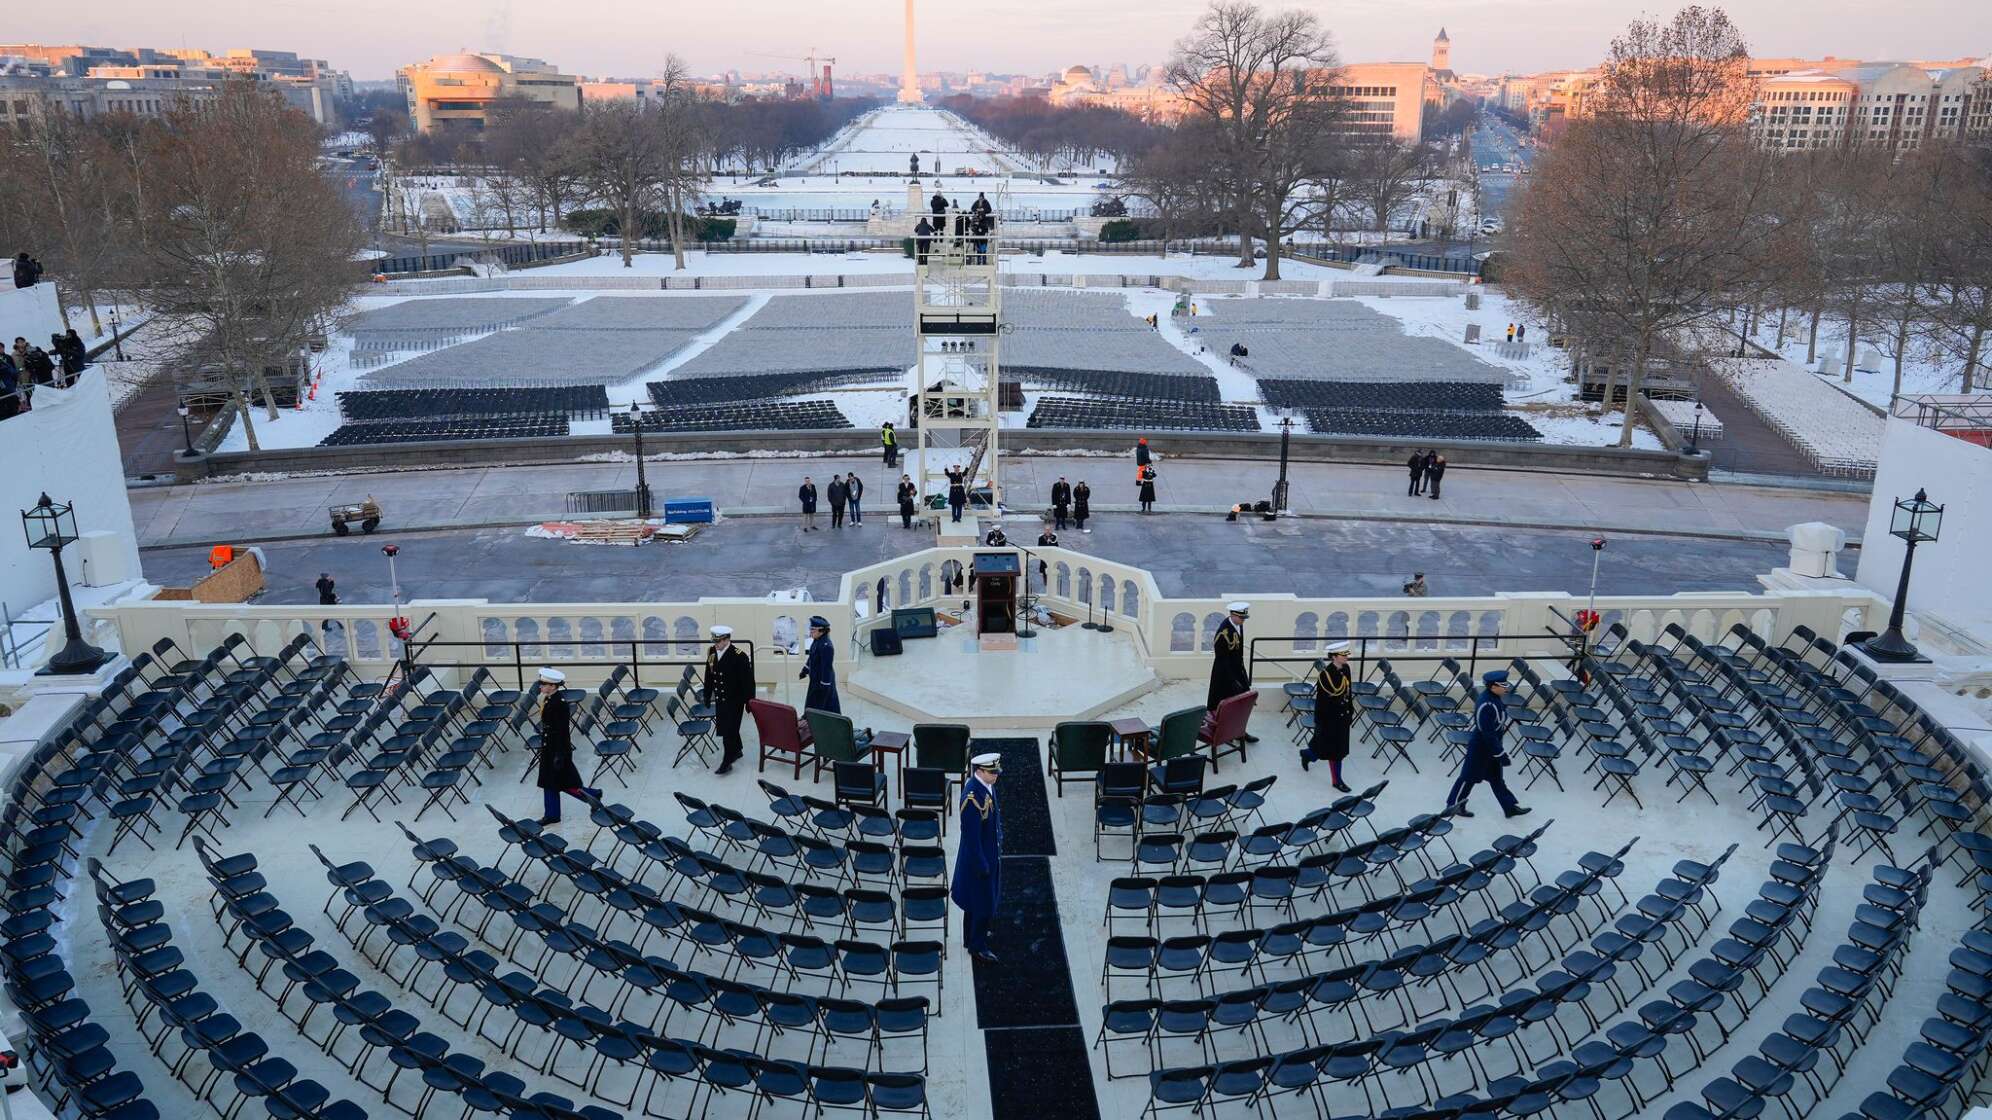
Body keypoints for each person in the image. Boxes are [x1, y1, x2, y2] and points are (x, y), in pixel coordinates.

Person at [1444, 670, 1532, 819]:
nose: (1506, 688)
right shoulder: (1486, 704)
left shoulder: (1495, 698)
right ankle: (1453, 806)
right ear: (1493, 686)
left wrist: (1498, 751)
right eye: (1503, 686)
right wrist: (1500, 754)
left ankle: (1509, 807)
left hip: (1492, 748)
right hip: (1481, 748)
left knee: (1497, 779)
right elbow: (1487, 733)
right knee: (1468, 778)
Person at [951, 752, 1005, 962]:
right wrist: (982, 864)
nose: (996, 776)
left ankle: (970, 936)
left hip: (989, 852)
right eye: (992, 772)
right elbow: (971, 837)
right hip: (980, 860)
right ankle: (977, 945)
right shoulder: (973, 798)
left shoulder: (986, 787)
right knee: (983, 904)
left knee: (975, 902)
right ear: (980, 771)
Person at [534, 668, 602, 825]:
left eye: (543, 684)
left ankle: (593, 796)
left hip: (557, 749)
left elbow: (561, 731)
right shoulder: (549, 699)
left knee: (565, 783)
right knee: (550, 783)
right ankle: (552, 814)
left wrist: (559, 754)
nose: (541, 686)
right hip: (549, 747)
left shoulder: (559, 704)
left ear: (552, 686)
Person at [1297, 643, 1355, 792]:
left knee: (1328, 748)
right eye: (1343, 655)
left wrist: (1350, 711)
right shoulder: (1325, 675)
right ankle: (1337, 781)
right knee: (1335, 752)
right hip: (1330, 719)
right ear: (1334, 657)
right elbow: (1322, 702)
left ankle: (1307, 754)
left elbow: (1348, 692)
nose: (1346, 657)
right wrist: (1321, 722)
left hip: (1343, 717)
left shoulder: (1346, 669)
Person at [703, 625, 754, 775]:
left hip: (734, 700)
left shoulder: (739, 656)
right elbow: (709, 674)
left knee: (727, 731)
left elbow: (748, 682)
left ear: (726, 640)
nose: (715, 644)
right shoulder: (712, 652)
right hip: (720, 699)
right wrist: (707, 694)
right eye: (714, 641)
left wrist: (749, 702)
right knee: (729, 728)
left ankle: (727, 761)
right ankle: (737, 750)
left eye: (718, 641)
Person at [1206, 602, 1259, 743]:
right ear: (1233, 615)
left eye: (1244, 619)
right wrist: (1233, 681)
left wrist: (1242, 677)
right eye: (1241, 618)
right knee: (1223, 706)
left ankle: (1239, 732)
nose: (1243, 621)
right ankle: (1222, 733)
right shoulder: (1223, 633)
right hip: (1224, 675)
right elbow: (1222, 660)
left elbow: (1238, 654)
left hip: (1237, 671)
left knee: (1239, 707)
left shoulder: (1238, 626)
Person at [799, 615, 840, 714]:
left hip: (822, 682)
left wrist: (824, 685)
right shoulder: (817, 641)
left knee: (825, 705)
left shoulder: (827, 646)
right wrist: (805, 670)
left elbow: (827, 668)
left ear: (821, 631)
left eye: (813, 630)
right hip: (815, 679)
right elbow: (812, 657)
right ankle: (809, 719)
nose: (810, 632)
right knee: (812, 702)